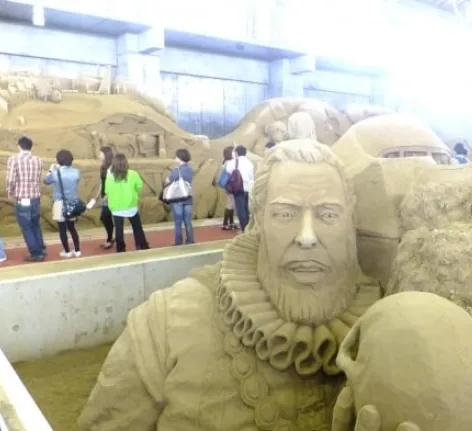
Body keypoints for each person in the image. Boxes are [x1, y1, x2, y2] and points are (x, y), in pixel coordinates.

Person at [78, 140, 403, 430]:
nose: (307, 237)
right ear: (258, 219)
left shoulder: (389, 330)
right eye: (285, 214)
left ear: (350, 221)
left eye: (328, 215)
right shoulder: (165, 325)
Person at [6, 136, 45, 262]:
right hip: (35, 198)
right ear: (30, 146)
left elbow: (11, 180)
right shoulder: (38, 160)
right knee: (35, 225)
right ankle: (41, 249)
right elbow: (38, 178)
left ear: (19, 146)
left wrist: (10, 192)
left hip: (23, 199)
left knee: (26, 227)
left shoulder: (14, 159)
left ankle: (36, 253)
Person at [105, 154, 150, 253]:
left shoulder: (110, 177)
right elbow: (139, 186)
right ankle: (141, 245)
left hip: (116, 207)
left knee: (119, 230)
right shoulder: (133, 174)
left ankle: (120, 249)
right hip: (131, 206)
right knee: (137, 227)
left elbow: (107, 191)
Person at [44, 149, 82, 258]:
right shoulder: (76, 172)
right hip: (72, 203)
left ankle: (67, 251)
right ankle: (77, 250)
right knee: (72, 228)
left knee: (62, 229)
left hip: (59, 203)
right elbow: (76, 181)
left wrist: (51, 169)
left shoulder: (55, 173)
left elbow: (46, 181)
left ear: (58, 160)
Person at [166, 149, 194, 245]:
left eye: (176, 157)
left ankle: (178, 242)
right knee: (188, 221)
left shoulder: (176, 170)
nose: (175, 158)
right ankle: (190, 240)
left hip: (177, 198)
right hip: (188, 198)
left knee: (178, 222)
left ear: (180, 158)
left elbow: (168, 181)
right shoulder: (190, 169)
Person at [94, 146, 115, 250]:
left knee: (105, 217)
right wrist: (97, 196)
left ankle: (111, 239)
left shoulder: (112, 167)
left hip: (111, 196)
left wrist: (107, 196)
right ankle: (111, 238)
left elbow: (113, 183)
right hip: (104, 195)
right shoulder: (103, 167)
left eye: (100, 153)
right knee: (106, 217)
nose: (99, 155)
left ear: (106, 154)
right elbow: (102, 183)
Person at [233, 145, 255, 232]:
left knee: (241, 210)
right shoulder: (250, 163)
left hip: (238, 188)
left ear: (236, 153)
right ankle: (248, 228)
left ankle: (245, 229)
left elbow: (230, 174)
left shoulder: (235, 162)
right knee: (246, 209)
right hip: (248, 188)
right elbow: (252, 177)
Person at [220, 146, 237, 231]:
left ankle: (231, 223)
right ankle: (225, 224)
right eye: (233, 151)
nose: (235, 153)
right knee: (230, 204)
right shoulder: (229, 162)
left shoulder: (226, 162)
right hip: (230, 185)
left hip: (229, 185)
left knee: (232, 204)